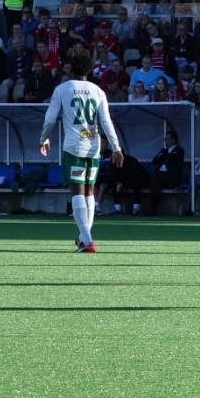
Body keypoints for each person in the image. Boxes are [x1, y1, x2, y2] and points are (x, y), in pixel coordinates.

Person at [38, 53, 124, 252]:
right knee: (89, 192)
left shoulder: (62, 89)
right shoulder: (98, 91)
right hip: (93, 147)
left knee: (77, 191)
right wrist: (116, 148)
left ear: (70, 69)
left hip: (74, 147)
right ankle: (83, 237)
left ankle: (88, 240)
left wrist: (43, 139)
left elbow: (50, 118)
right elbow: (106, 122)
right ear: (89, 70)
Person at [146, 130, 184, 216]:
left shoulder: (179, 150)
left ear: (173, 140)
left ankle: (153, 209)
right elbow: (155, 161)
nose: (165, 141)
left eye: (167, 139)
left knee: (155, 179)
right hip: (160, 176)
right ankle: (153, 209)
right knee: (154, 179)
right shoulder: (163, 150)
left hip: (171, 176)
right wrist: (166, 158)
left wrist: (164, 158)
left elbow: (173, 159)